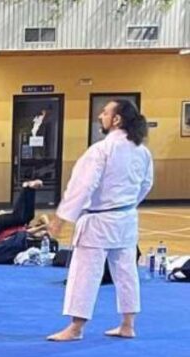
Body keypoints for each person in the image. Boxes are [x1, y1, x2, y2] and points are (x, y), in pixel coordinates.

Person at [47, 100, 153, 342]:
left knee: (85, 273)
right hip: (125, 218)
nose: (101, 116)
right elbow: (146, 185)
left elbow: (82, 186)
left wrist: (62, 218)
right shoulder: (142, 151)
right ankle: (128, 324)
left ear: (117, 120)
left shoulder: (101, 150)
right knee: (127, 272)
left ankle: (76, 328)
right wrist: (126, 205)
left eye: (105, 112)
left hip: (98, 220)